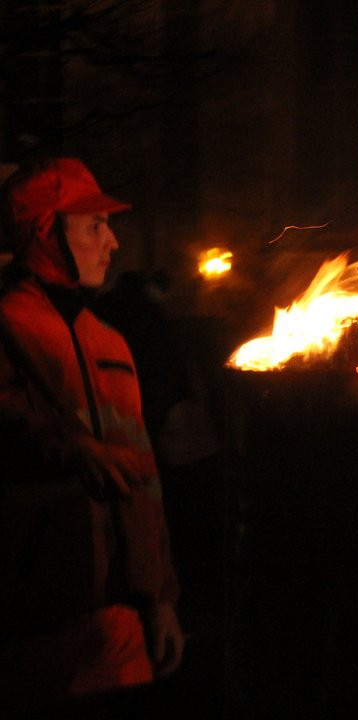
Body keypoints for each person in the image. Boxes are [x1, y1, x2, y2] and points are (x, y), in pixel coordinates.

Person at [0, 158, 184, 712]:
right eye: (94, 226)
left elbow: (144, 479)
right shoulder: (7, 328)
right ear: (45, 235)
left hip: (120, 624)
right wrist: (69, 448)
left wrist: (161, 598)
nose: (114, 243)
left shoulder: (111, 343)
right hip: (32, 625)